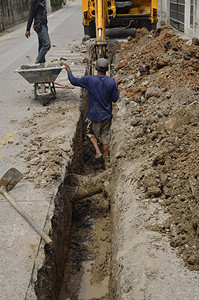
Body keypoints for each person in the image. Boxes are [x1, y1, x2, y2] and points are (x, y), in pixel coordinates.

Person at [64, 58, 121, 169]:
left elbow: (73, 81)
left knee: (90, 133)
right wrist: (115, 86)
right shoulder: (111, 82)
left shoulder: (90, 79)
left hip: (94, 115)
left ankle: (97, 152)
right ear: (107, 69)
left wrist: (69, 70)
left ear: (95, 68)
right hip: (106, 116)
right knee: (105, 139)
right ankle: (107, 163)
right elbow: (115, 99)